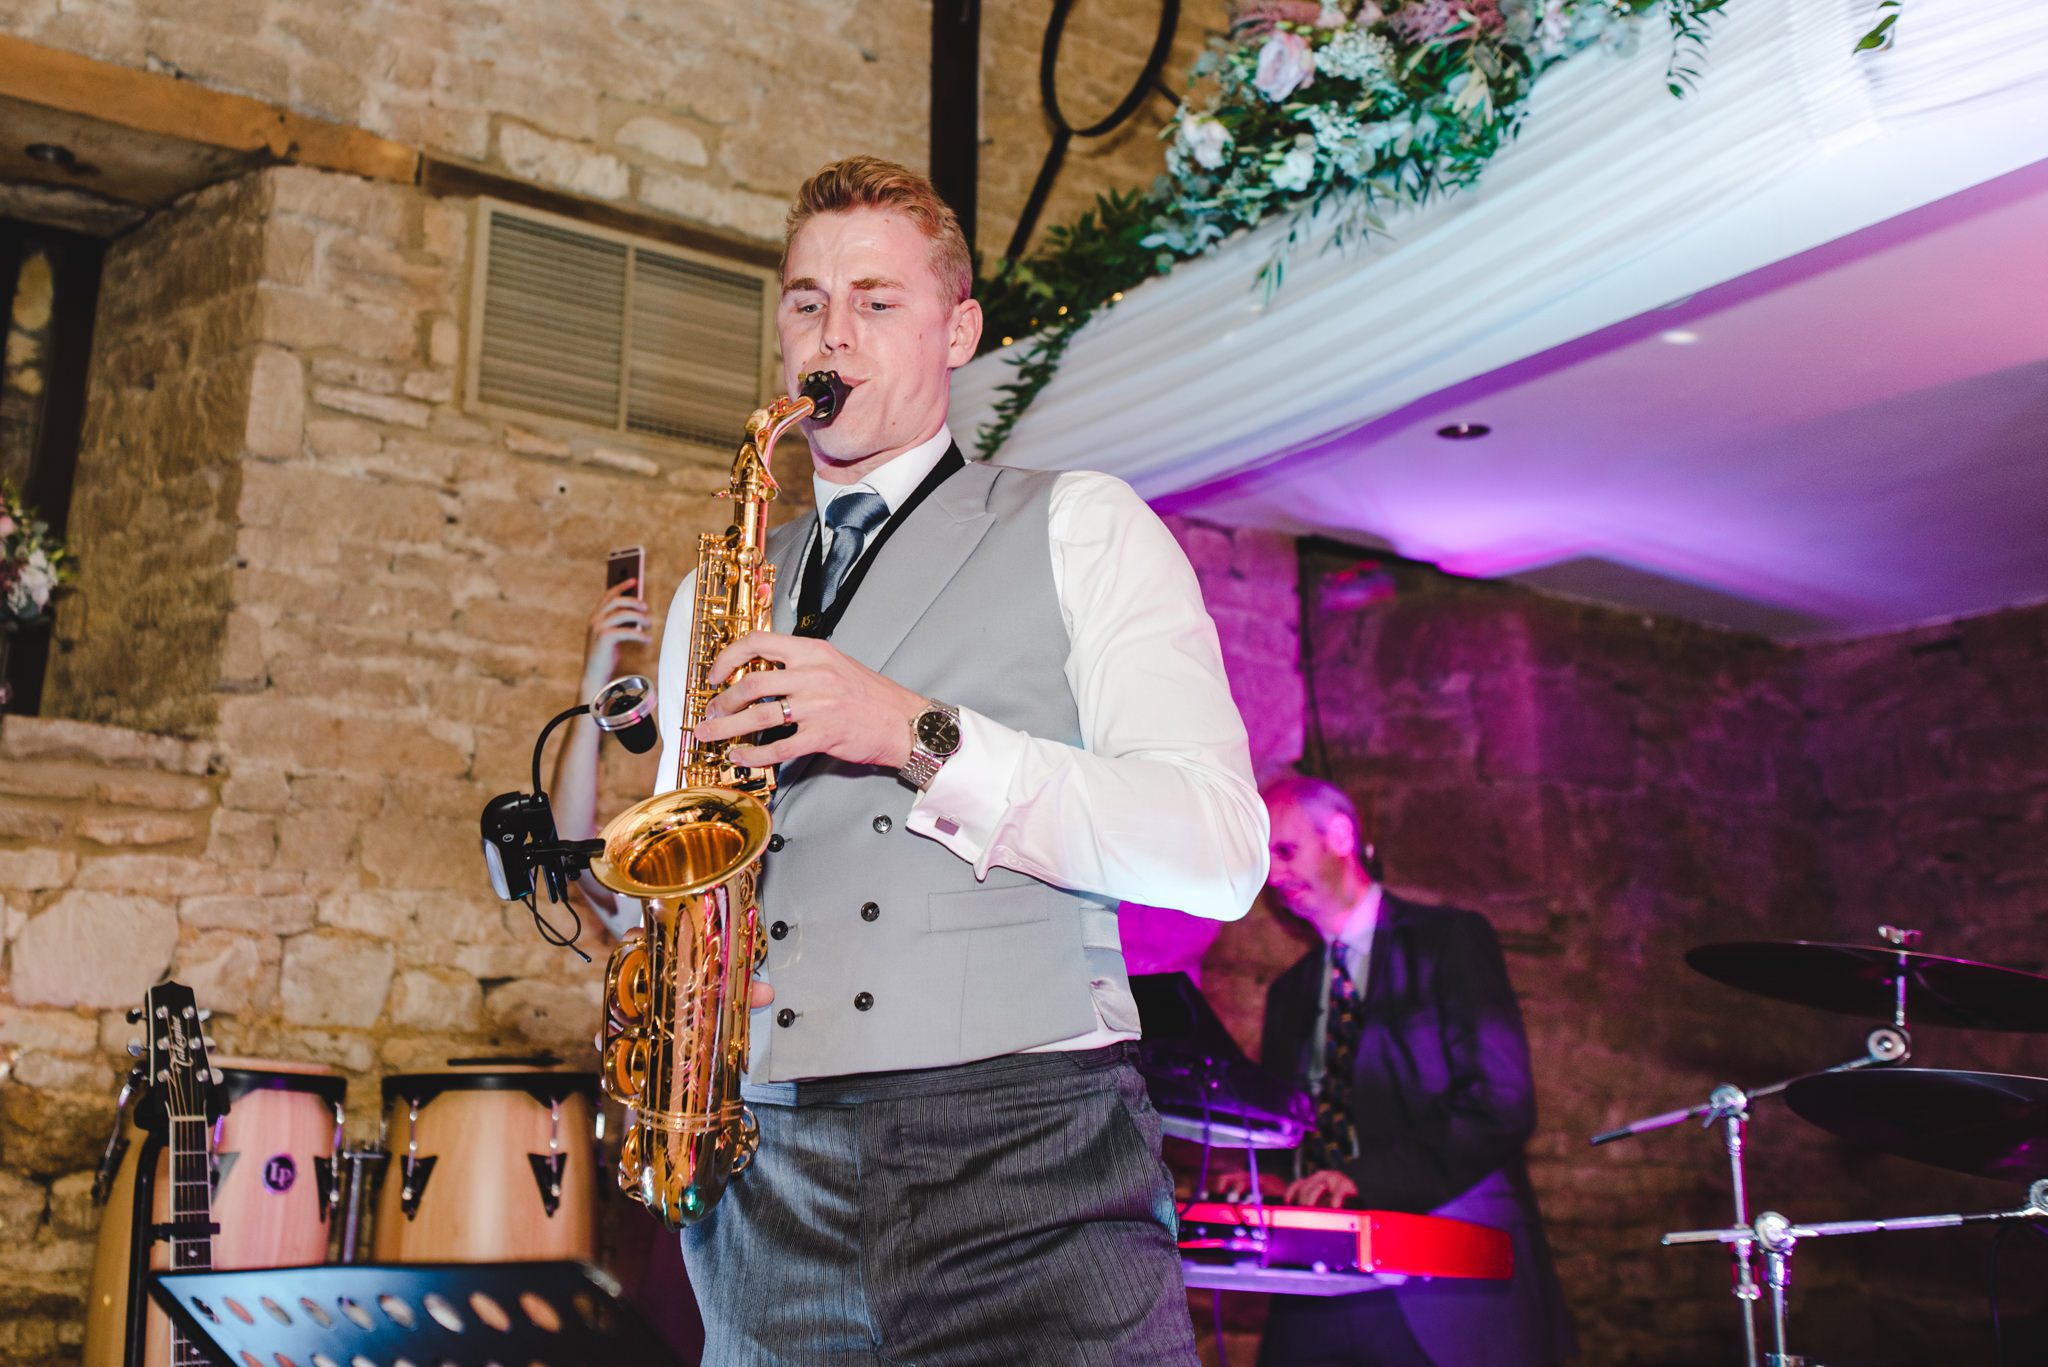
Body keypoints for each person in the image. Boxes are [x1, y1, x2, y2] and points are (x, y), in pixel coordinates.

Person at [643, 156, 1268, 1364]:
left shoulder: (1081, 523)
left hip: (1023, 1165)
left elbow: (1220, 849)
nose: (833, 335)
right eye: (805, 301)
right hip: (761, 1179)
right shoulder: (706, 594)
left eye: (876, 303)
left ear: (958, 330)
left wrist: (917, 734)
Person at [1249, 774, 1575, 1367]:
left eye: (1285, 850)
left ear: (1341, 835)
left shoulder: (1449, 942)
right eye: (1264, 858)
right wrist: (1267, 1178)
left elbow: (1501, 1102)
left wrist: (1364, 1178)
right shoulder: (1289, 993)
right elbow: (1290, 1124)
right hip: (1317, 1284)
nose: (1273, 874)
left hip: (1446, 1275)